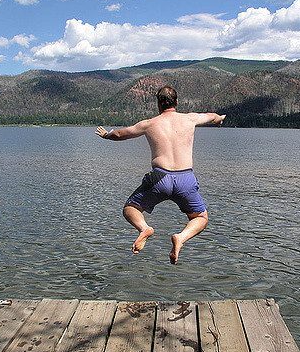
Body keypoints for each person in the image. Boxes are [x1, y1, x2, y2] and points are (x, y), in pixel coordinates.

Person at [95, 86, 225, 264]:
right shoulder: (190, 118)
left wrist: (106, 135)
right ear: (177, 102)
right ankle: (181, 237)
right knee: (201, 218)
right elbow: (212, 116)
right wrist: (219, 120)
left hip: (160, 179)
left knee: (130, 209)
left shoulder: (149, 124)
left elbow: (119, 134)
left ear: (158, 104)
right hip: (185, 178)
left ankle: (144, 228)